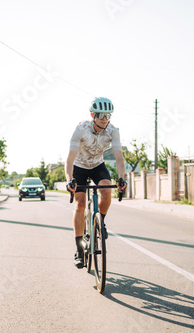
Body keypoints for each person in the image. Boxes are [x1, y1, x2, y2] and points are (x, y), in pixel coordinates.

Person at [65, 97, 127, 268]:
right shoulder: (81, 129)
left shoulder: (113, 131)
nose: (104, 118)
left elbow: (119, 159)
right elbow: (69, 160)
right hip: (79, 166)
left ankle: (101, 222)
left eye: (108, 115)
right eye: (100, 114)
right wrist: (70, 180)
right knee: (80, 203)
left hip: (97, 165)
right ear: (93, 115)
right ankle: (79, 250)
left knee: (107, 192)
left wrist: (122, 178)